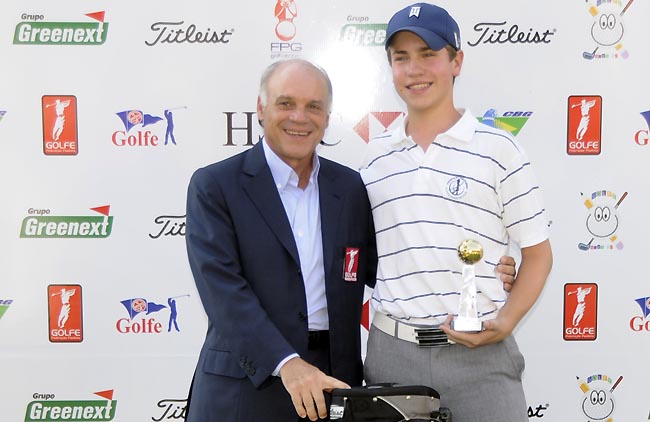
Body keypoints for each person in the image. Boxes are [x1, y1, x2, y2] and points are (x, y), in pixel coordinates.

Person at [359, 4, 553, 422]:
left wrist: (505, 321)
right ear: (390, 67)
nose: (414, 70)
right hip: (392, 357)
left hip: (480, 357)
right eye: (401, 57)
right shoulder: (374, 159)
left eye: (428, 54)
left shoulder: (500, 149)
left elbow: (538, 254)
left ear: (456, 61)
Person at [184, 59, 377, 421]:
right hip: (248, 386)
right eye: (286, 103)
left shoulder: (350, 187)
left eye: (313, 106)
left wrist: (484, 269)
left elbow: (385, 267)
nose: (300, 117)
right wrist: (288, 364)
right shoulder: (216, 186)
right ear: (261, 108)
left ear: (327, 115)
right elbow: (224, 293)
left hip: (334, 386)